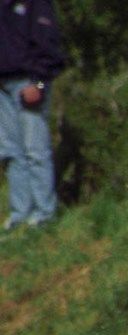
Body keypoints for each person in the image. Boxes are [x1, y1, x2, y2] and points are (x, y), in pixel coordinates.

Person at [0, 0, 65, 231]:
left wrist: (38, 83)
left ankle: (43, 214)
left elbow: (49, 48)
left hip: (27, 82)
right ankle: (20, 215)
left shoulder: (35, 4)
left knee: (35, 150)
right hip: (2, 86)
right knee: (9, 153)